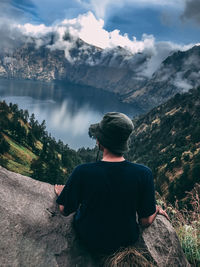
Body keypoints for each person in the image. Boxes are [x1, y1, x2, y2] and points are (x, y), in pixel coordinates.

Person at [55, 112, 169, 254]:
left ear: (99, 141)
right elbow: (145, 221)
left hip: (88, 238)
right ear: (124, 143)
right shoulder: (143, 173)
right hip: (125, 240)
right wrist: (155, 209)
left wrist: (63, 194)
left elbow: (65, 210)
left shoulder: (82, 171)